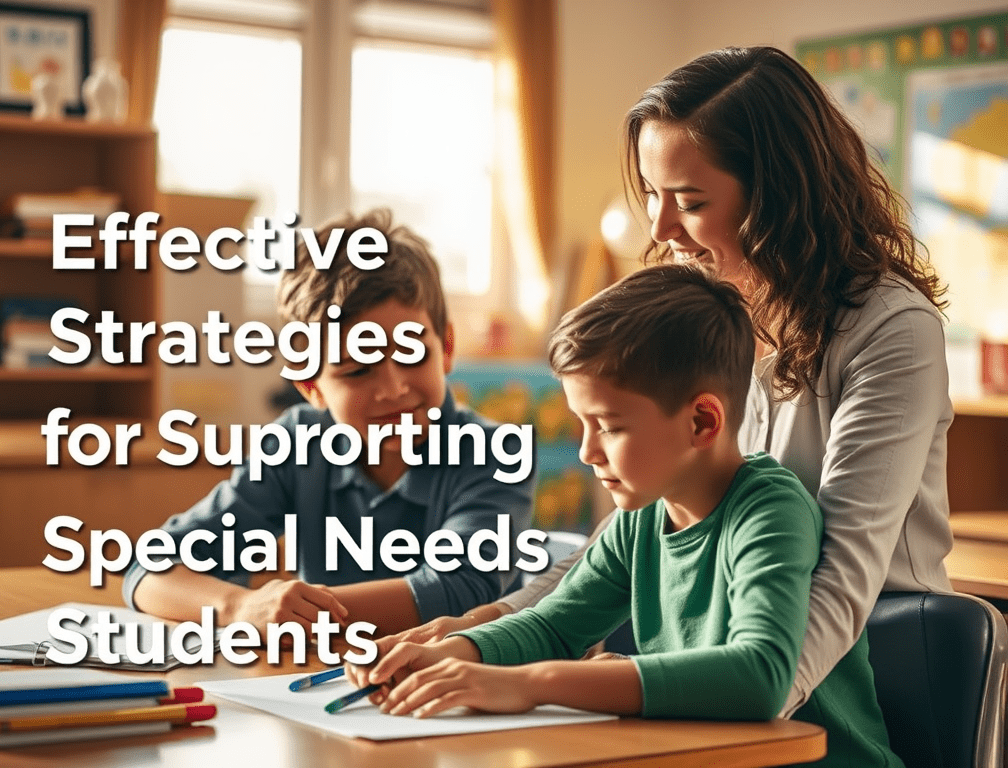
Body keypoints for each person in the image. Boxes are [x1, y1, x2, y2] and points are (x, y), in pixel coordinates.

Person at [381, 45, 954, 717]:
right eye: (653, 195)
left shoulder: (892, 328)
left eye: (689, 200)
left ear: (776, 197)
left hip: (863, 668)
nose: (659, 227)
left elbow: (841, 568)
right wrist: (483, 635)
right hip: (735, 661)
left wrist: (754, 699)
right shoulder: (709, 312)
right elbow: (629, 535)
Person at [348, 264, 904, 767]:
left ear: (701, 423)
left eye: (609, 426)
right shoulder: (641, 518)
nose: (588, 452)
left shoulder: (769, 513)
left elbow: (760, 676)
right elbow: (552, 624)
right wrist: (446, 654)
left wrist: (532, 683)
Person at [123, 208, 535, 636]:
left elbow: (462, 588)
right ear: (310, 385)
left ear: (445, 347)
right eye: (358, 370)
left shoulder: (493, 450)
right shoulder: (297, 441)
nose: (393, 388)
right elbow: (149, 567)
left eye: (412, 354)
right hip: (318, 684)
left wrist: (301, 614)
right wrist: (240, 607)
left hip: (457, 686)